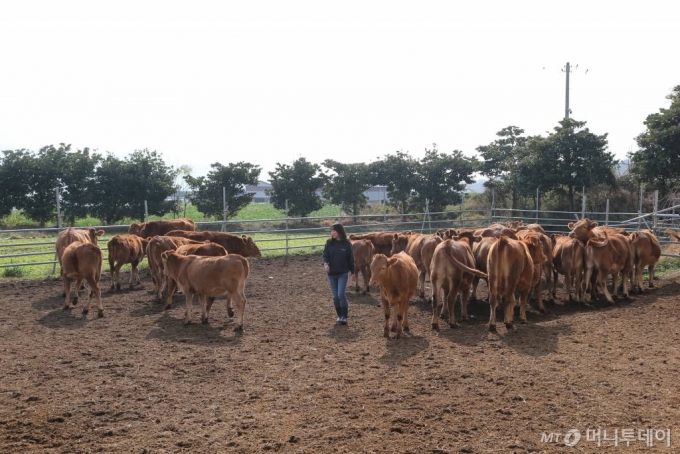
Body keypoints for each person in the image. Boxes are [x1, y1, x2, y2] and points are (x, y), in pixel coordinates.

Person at [322, 223, 355, 325]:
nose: (332, 233)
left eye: (333, 231)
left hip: (342, 273)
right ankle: (339, 315)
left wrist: (353, 272)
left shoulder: (346, 244)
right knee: (335, 296)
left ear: (339, 232)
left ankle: (344, 317)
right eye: (331, 231)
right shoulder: (329, 243)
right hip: (331, 274)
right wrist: (325, 265)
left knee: (341, 294)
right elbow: (325, 256)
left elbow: (351, 259)